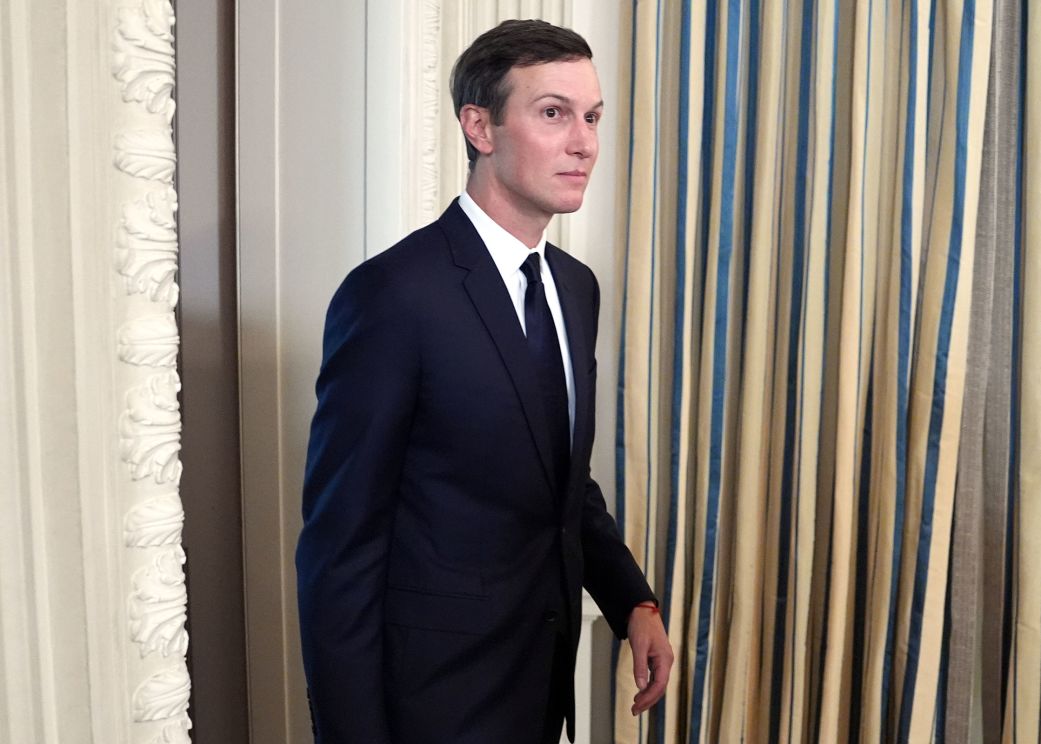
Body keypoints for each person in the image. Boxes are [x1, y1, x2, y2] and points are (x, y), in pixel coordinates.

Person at [296, 19, 672, 744]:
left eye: (591, 117)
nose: (584, 142)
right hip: (430, 702)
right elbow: (338, 549)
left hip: (539, 688)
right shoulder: (394, 294)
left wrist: (633, 602)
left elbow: (559, 481)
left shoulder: (574, 288)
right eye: (553, 113)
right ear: (480, 126)